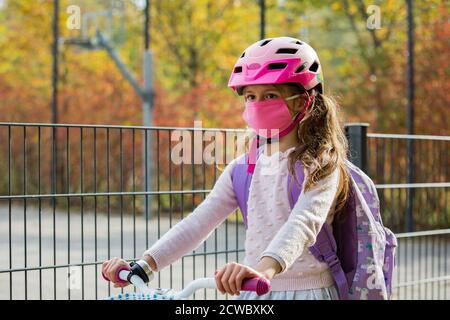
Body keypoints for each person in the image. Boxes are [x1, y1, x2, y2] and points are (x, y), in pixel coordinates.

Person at [102, 36, 351, 300]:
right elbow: (199, 222)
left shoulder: (321, 165)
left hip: (307, 292)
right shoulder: (243, 169)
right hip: (254, 292)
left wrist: (264, 270)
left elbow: (303, 224)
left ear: (302, 102)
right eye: (250, 97)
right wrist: (146, 264)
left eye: (270, 95)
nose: (257, 105)